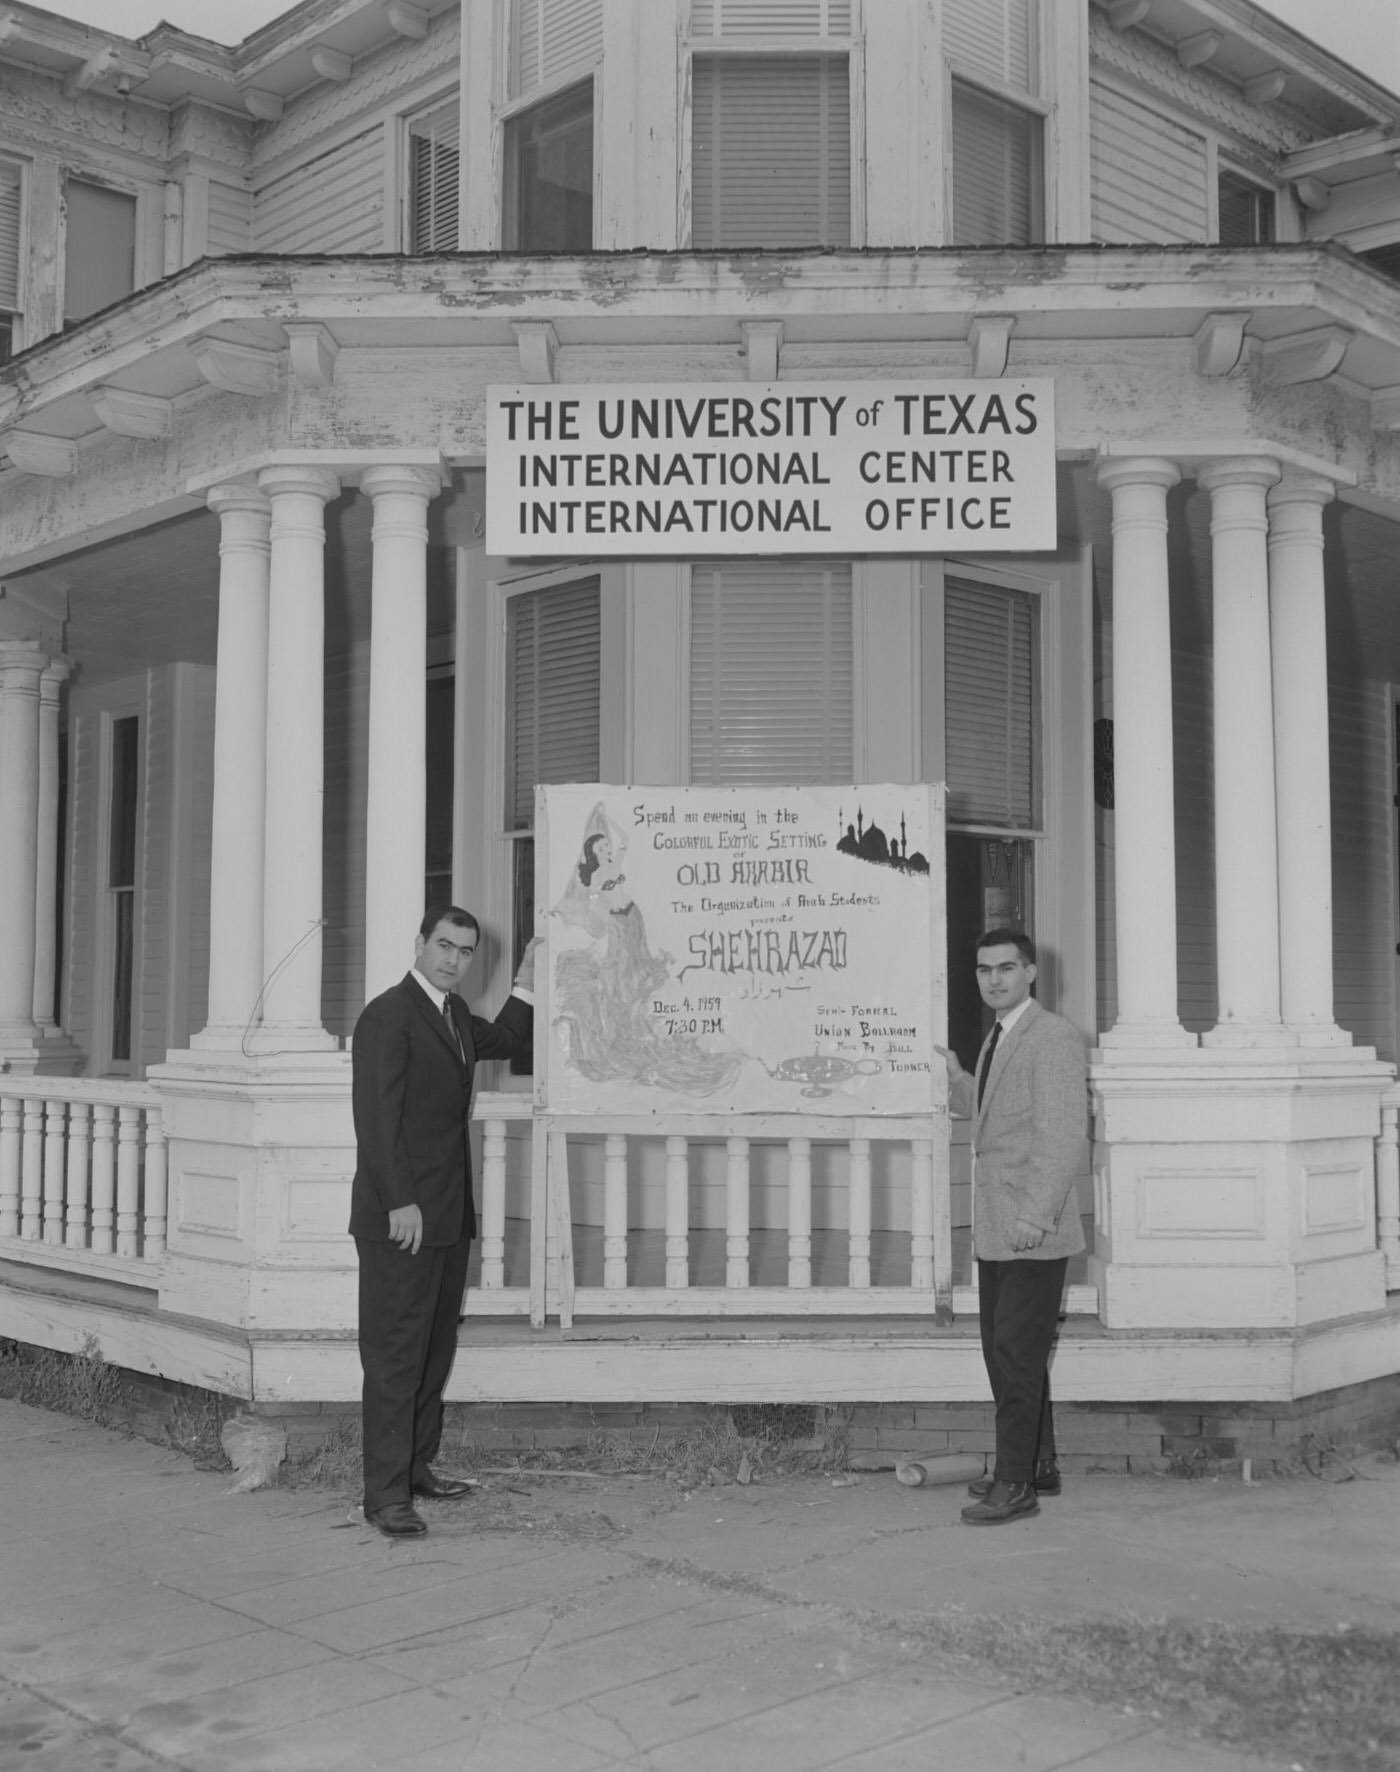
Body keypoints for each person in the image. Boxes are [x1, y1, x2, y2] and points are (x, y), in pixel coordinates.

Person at [349, 907, 537, 1538]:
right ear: (420, 944)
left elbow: (509, 1042)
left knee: (434, 1351)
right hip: (401, 1220)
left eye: (464, 950)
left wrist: (529, 983)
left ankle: (416, 1469)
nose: (453, 959)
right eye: (443, 945)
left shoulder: (454, 1015)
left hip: (449, 1218)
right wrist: (400, 1200)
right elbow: (376, 1120)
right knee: (395, 1356)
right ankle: (384, 1496)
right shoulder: (387, 1015)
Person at [938, 929, 1088, 1526]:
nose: (993, 979)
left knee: (1014, 1354)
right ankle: (1039, 1466)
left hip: (1031, 1226)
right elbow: (997, 1109)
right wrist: (956, 1080)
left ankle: (1015, 1484)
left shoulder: (1052, 1036)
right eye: (983, 969)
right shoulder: (1000, 1036)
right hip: (1000, 1224)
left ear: (1030, 972)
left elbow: (1058, 1132)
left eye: (1006, 968)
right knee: (1009, 1353)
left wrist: (1034, 1214)